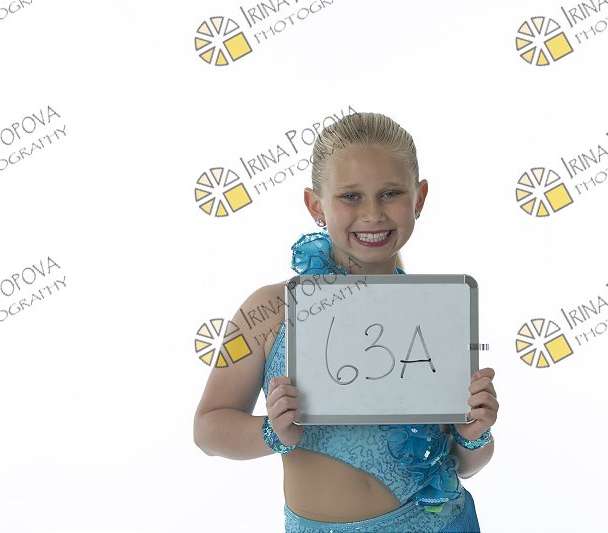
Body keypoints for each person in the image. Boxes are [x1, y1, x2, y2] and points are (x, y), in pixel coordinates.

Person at [193, 112, 499, 532]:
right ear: (315, 205)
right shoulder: (269, 311)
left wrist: (474, 433)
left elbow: (464, 465)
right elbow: (208, 427)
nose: (372, 214)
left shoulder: (437, 312)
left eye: (390, 193)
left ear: (419, 198)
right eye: (350, 196)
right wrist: (272, 433)